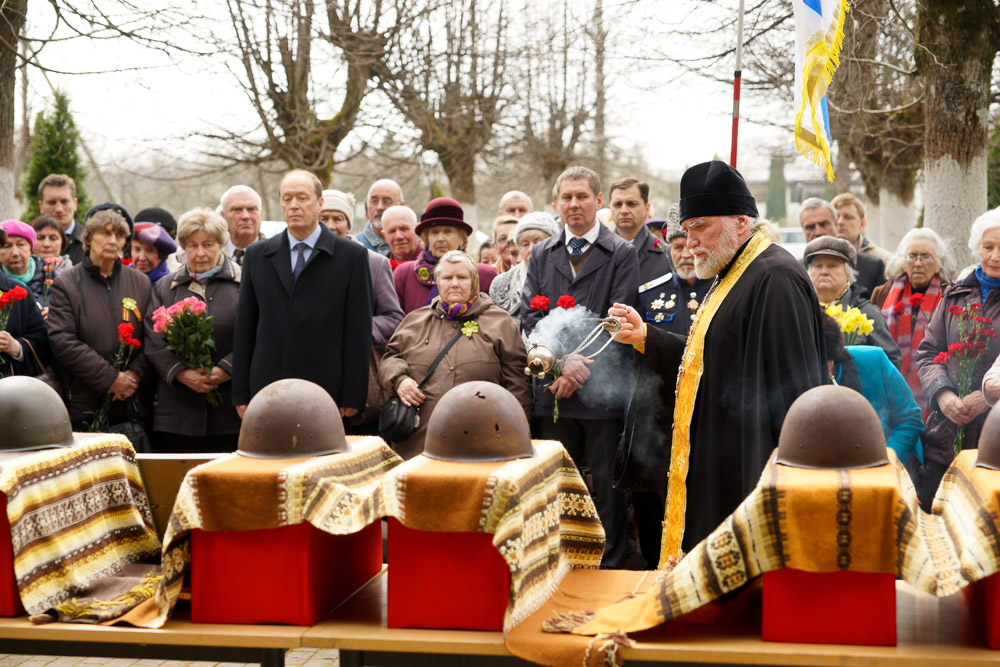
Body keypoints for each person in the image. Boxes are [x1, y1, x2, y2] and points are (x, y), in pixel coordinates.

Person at [609, 159, 827, 560]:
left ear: (740, 222)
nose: (689, 243)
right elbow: (712, 359)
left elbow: (792, 394)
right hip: (720, 453)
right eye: (686, 230)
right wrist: (647, 338)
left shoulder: (775, 278)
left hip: (749, 465)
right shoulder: (734, 272)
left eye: (699, 227)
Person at [521, 165, 640, 568]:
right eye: (566, 197)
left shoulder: (621, 253)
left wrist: (578, 368)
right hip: (552, 392)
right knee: (556, 484)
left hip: (602, 393)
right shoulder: (541, 253)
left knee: (606, 487)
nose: (574, 204)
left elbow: (619, 319)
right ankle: (558, 560)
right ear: (556, 204)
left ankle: (609, 564)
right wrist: (558, 366)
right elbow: (529, 318)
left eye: (582, 196)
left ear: (598, 201)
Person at [232, 170, 374, 417]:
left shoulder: (351, 257)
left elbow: (358, 331)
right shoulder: (257, 255)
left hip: (327, 390)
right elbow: (245, 328)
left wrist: (353, 394)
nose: (294, 206)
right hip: (267, 389)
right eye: (287, 199)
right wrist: (241, 393)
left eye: (302, 198)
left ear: (319, 204)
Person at [379, 250, 530, 459]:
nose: (455, 284)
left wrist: (515, 433)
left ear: (474, 281)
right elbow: (389, 358)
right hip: (418, 442)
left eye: (462, 277)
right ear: (438, 283)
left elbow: (518, 382)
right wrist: (400, 380)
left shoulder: (499, 322)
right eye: (447, 278)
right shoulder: (415, 320)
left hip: (483, 440)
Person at [916, 207, 1000, 507]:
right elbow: (927, 353)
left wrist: (985, 397)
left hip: (994, 442)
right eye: (988, 247)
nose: (995, 256)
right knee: (932, 521)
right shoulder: (955, 294)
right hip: (946, 436)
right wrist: (944, 394)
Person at [146, 208, 242, 453]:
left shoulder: (243, 284)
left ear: (221, 245)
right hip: (177, 413)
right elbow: (154, 339)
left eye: (208, 244)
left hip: (229, 412)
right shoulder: (165, 288)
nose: (200, 253)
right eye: (192, 245)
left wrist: (224, 370)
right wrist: (181, 373)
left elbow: (254, 337)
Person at [47, 208, 151, 429]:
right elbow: (62, 340)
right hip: (85, 404)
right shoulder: (66, 283)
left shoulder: (141, 282)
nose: (112, 240)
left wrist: (133, 375)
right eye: (105, 233)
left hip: (132, 406)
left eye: (119, 235)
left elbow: (153, 337)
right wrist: (110, 378)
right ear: (88, 238)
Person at [320, 187, 404, 428]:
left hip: (358, 378)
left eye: (338, 219)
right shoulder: (301, 262)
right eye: (323, 219)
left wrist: (353, 328)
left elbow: (394, 319)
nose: (331, 225)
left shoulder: (373, 263)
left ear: (349, 223)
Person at [821, 314, 923, 467]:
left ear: (833, 356)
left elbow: (909, 419)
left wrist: (886, 460)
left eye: (824, 363)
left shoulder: (873, 360)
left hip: (888, 463)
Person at [871, 228, 951, 419]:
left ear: (939, 263)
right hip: (889, 385)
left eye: (926, 256)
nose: (918, 263)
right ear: (903, 262)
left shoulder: (950, 295)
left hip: (934, 389)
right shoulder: (883, 293)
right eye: (912, 256)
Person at [804, 236, 902, 368]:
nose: (824, 272)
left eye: (832, 265)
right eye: (817, 266)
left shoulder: (867, 314)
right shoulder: (801, 312)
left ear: (848, 274)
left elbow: (891, 363)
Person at [394, 197, 497, 314]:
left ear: (462, 237)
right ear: (426, 238)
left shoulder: (483, 274)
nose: (440, 239)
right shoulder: (405, 274)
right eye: (434, 232)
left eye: (448, 231)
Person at [639, 204, 714, 335]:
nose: (685, 255)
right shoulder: (649, 294)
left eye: (691, 247)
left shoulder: (724, 289)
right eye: (678, 247)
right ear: (669, 249)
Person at [799, 196, 885, 294]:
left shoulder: (872, 267)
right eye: (810, 227)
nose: (818, 232)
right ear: (803, 230)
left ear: (836, 224)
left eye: (823, 224)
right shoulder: (796, 271)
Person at [489, 212, 560, 328]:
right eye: (525, 244)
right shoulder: (501, 283)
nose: (532, 249)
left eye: (538, 242)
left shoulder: (564, 276)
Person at [0, 228, 51, 377]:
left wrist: (16, 347)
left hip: (11, 391)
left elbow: (42, 343)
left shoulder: (18, 292)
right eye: (7, 246)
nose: (15, 252)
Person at [610, 178, 670, 283]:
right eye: (618, 204)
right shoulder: (595, 253)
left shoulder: (667, 255)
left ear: (647, 209)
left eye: (631, 204)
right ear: (610, 208)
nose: (624, 211)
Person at [832, 192, 894, 266]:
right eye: (836, 217)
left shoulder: (884, 260)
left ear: (862, 224)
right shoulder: (817, 255)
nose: (840, 222)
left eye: (848, 217)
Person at [37, 173, 85, 265]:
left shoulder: (90, 243)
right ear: (41, 206)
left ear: (75, 203)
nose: (59, 209)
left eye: (64, 201)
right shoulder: (28, 243)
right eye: (52, 202)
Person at [0, 220, 45, 301]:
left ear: (30, 249)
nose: (15, 253)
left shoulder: (49, 275)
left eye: (21, 245)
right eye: (7, 246)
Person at [357, 179, 403, 256]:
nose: (379, 207)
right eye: (374, 201)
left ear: (401, 205)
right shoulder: (355, 246)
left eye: (387, 201)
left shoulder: (416, 245)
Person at [219, 185, 263, 265]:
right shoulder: (211, 257)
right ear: (223, 216)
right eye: (237, 209)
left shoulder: (278, 255)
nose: (245, 216)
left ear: (260, 214)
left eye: (251, 209)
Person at [382, 205, 422, 269]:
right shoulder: (378, 268)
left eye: (404, 229)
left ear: (417, 230)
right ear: (384, 236)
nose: (398, 236)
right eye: (392, 231)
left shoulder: (436, 264)